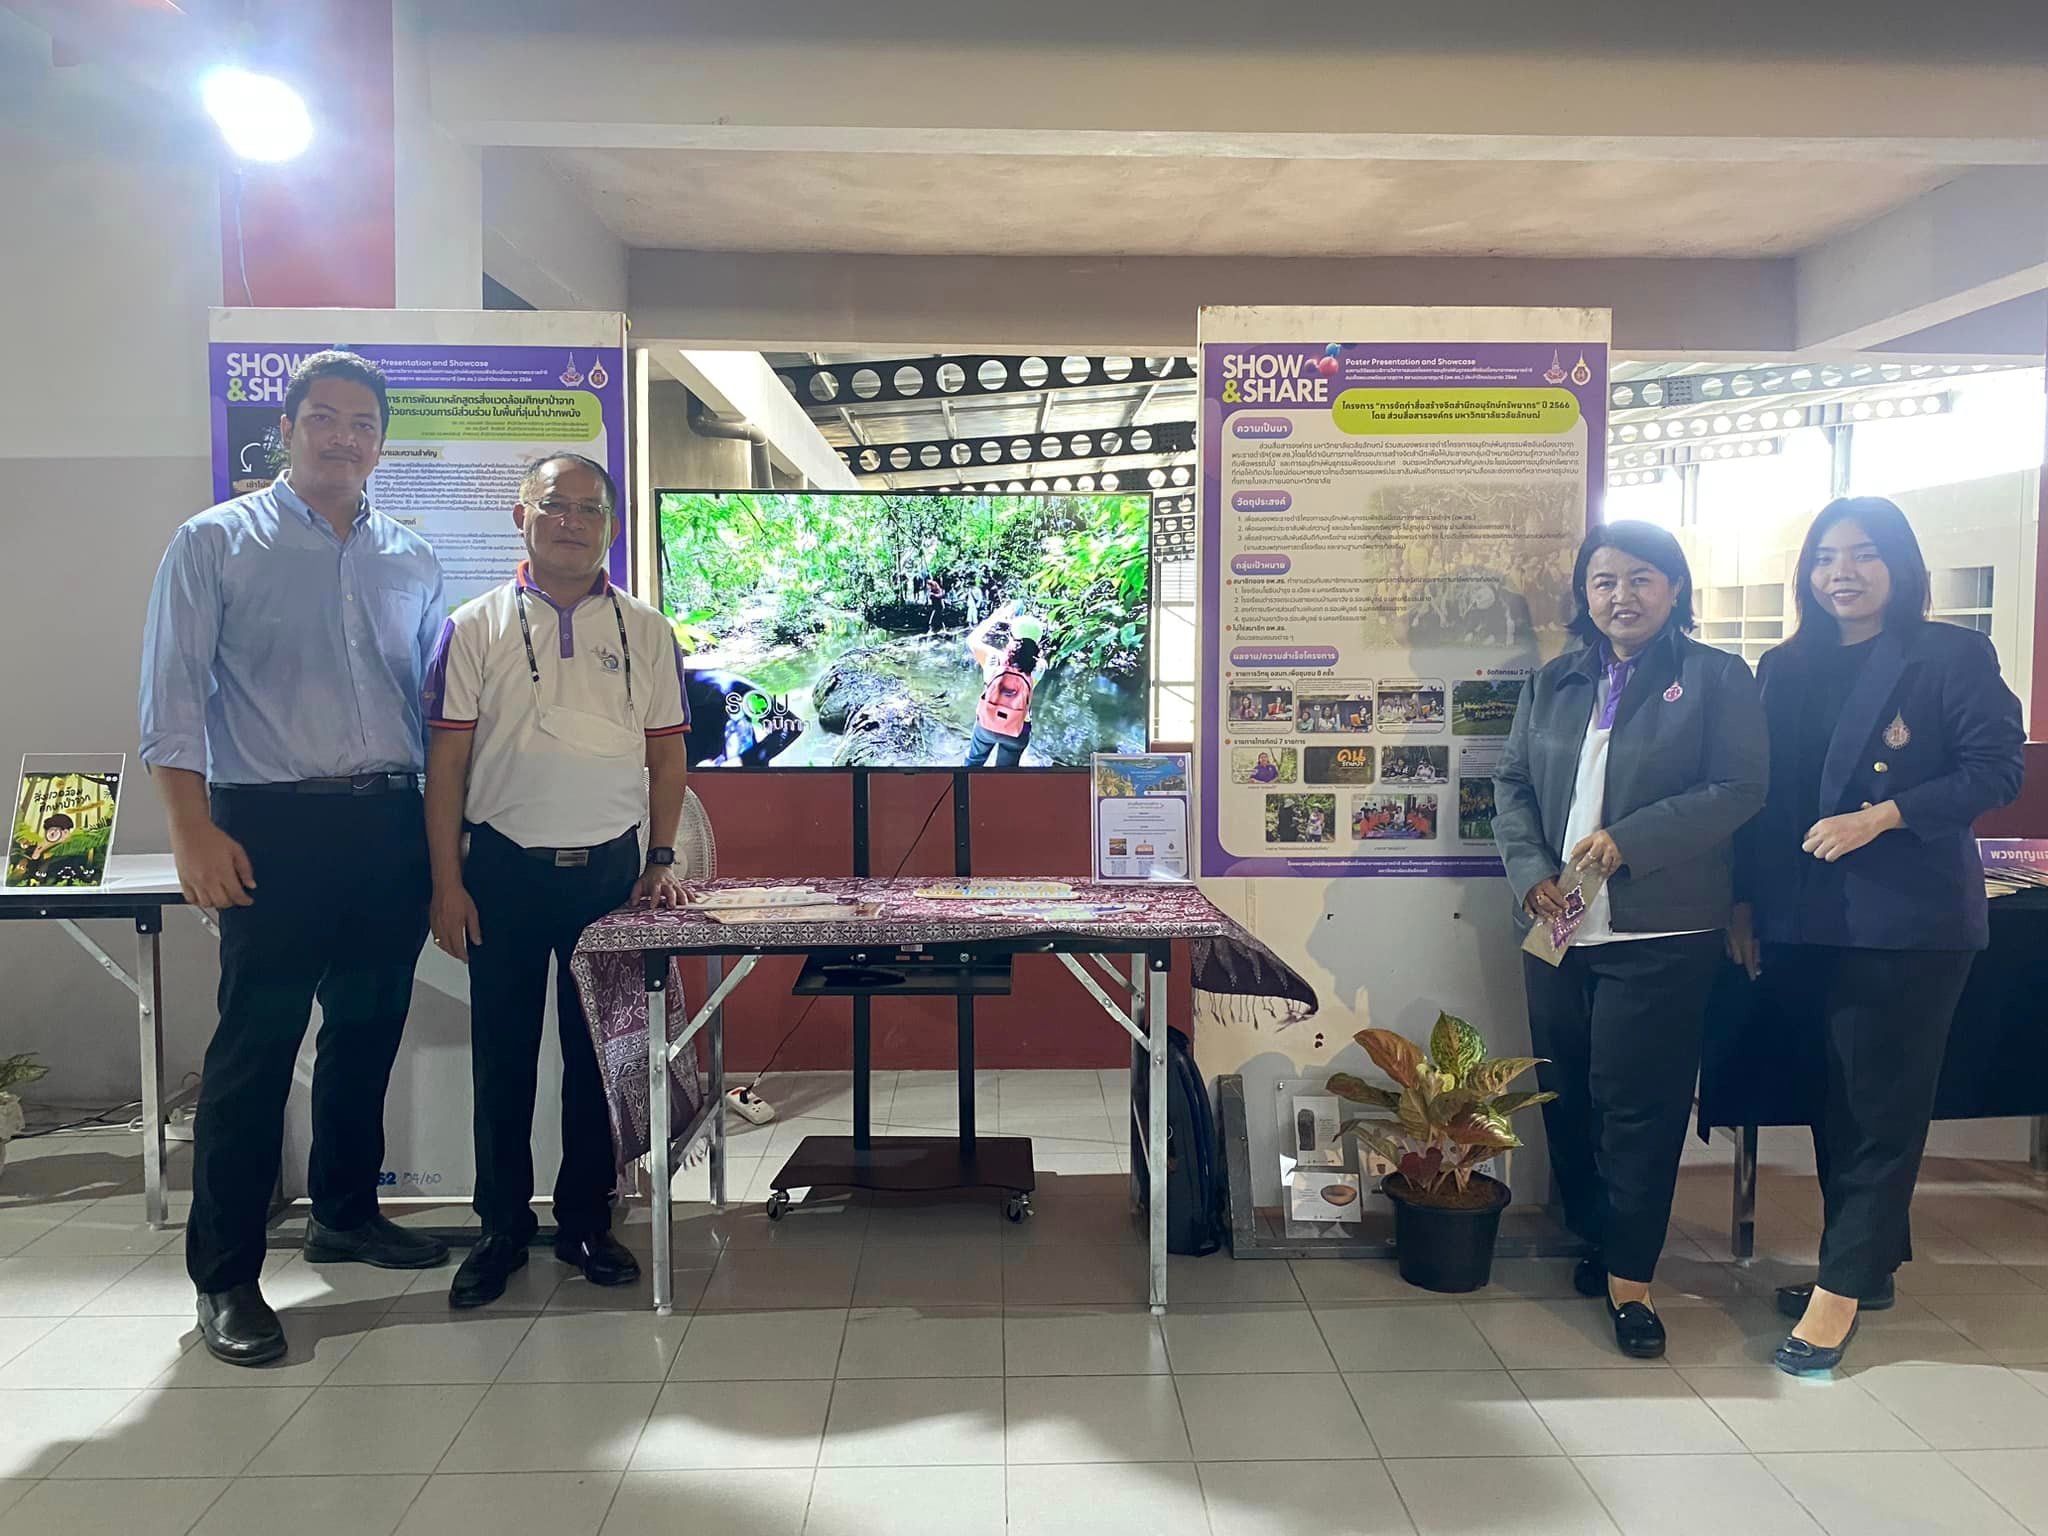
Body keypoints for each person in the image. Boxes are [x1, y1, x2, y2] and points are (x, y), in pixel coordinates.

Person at [139, 350, 449, 1366]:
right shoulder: (214, 543)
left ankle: (345, 1214)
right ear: (287, 427)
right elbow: (171, 700)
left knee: (367, 1031)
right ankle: (225, 1276)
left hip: (387, 824)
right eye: (324, 417)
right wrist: (191, 829)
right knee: (256, 1050)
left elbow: (431, 707)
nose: (343, 438)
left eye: (363, 424)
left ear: (381, 444)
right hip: (266, 827)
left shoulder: (410, 556)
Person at [1728, 497, 2023, 1376]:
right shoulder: (1784, 665)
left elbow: (1996, 770)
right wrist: (1745, 904)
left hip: (1908, 923)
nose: (1841, 574)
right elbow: (1763, 797)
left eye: (1862, 555)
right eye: (1825, 558)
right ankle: (1868, 1266)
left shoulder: (1951, 655)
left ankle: (1840, 1292)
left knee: (1882, 1107)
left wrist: (1885, 816)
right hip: (1803, 917)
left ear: (1900, 565)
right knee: (1835, 1097)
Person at [423, 453, 693, 1308]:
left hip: (608, 875)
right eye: (555, 505)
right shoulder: (473, 626)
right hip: (501, 871)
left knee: (594, 1060)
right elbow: (446, 766)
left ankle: (585, 1222)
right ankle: (501, 1229)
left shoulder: (645, 629)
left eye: (589, 509)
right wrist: (447, 885)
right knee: (502, 1060)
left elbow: (667, 757)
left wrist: (659, 859)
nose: (572, 521)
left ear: (610, 525)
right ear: (522, 516)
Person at [1494, 520, 1767, 1360]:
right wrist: (1529, 872)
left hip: (1663, 929)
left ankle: (1633, 1282)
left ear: (1674, 588)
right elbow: (1511, 784)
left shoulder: (1716, 678)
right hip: (1559, 925)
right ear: (1585, 594)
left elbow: (1740, 787)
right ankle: (1597, 1237)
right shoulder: (1555, 681)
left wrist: (1633, 839)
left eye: (1642, 578)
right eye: (1605, 581)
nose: (1623, 596)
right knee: (1568, 1094)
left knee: (1638, 1106)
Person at [963, 601, 1042, 768]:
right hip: (1017, 729)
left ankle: (964, 783)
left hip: (987, 724)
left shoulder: (993, 658)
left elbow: (972, 640)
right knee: (1005, 773)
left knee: (973, 762)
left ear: (1011, 636)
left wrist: (996, 617)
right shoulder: (1039, 667)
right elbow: (1032, 655)